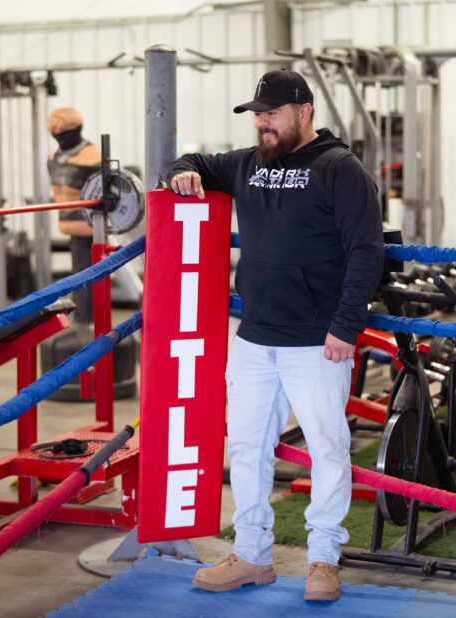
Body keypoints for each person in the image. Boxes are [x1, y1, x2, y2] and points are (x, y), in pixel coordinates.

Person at [168, 69, 384, 602]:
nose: (262, 122)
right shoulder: (246, 164)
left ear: (304, 111)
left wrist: (345, 326)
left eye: (272, 113)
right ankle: (251, 555)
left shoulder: (340, 168)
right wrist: (183, 173)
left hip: (317, 341)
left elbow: (367, 251)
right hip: (255, 340)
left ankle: (322, 561)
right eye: (256, 114)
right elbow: (190, 162)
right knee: (246, 448)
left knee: (329, 450)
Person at [47, 106, 101, 322]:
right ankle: (83, 320)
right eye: (56, 134)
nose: (60, 138)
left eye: (64, 134)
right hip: (70, 228)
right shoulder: (53, 159)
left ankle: (85, 323)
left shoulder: (92, 158)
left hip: (90, 229)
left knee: (87, 278)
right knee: (79, 277)